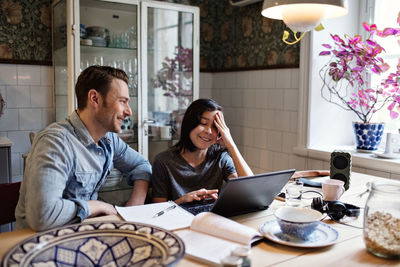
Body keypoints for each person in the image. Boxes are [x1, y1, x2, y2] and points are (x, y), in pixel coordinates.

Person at [15, 66, 151, 231]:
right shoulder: (55, 142)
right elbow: (43, 216)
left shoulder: (109, 139)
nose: (128, 111)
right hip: (37, 244)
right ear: (94, 99)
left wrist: (134, 207)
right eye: (122, 101)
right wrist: (96, 206)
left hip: (82, 235)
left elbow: (142, 165)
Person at [152, 98, 253, 204]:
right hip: (177, 219)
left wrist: (231, 145)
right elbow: (157, 210)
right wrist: (183, 200)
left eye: (215, 127)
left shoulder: (221, 158)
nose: (209, 131)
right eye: (203, 123)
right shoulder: (163, 161)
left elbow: (251, 190)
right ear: (189, 124)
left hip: (211, 219)